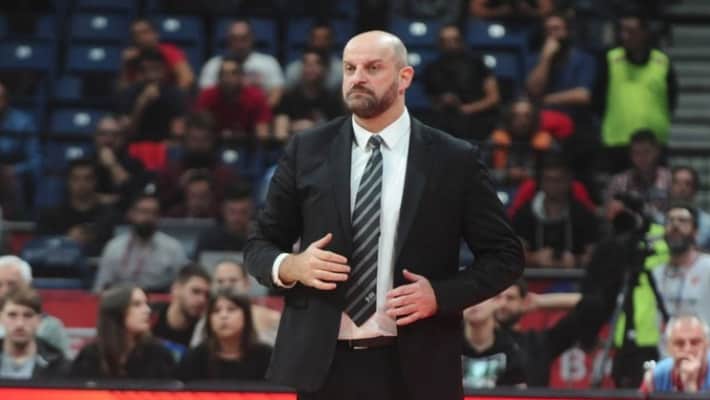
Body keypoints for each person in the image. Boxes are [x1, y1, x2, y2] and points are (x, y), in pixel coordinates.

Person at [245, 30, 523, 400]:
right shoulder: (307, 149)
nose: (357, 77)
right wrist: (292, 266)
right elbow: (260, 244)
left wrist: (440, 295)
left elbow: (506, 255)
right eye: (350, 68)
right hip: (324, 366)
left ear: (404, 77)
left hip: (416, 366)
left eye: (372, 68)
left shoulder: (453, 158)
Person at [594, 12, 677, 172]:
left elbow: (672, 100)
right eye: (622, 30)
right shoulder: (610, 59)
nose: (625, 36)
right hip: (618, 143)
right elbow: (597, 100)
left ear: (644, 32)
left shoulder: (662, 61)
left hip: (654, 143)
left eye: (631, 31)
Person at [512, 154, 600, 268]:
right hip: (533, 277)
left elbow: (594, 255)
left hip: (574, 277)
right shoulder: (524, 214)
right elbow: (513, 255)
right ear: (540, 182)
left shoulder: (583, 214)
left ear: (569, 181)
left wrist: (575, 260)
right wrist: (534, 258)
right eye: (548, 180)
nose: (553, 185)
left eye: (559, 180)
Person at [71, 285, 175, 379]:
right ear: (117, 312)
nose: (147, 310)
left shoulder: (159, 354)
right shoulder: (90, 355)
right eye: (137, 304)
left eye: (146, 304)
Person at [94, 193, 188, 292]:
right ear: (131, 214)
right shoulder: (114, 247)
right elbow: (102, 287)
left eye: (154, 213)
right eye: (144, 212)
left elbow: (184, 284)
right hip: (122, 298)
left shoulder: (173, 248)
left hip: (159, 298)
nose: (149, 217)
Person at [423, 24, 501, 141]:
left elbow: (494, 98)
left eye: (454, 39)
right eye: (445, 40)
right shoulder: (431, 68)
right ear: (439, 43)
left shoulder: (477, 63)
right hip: (445, 120)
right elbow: (431, 100)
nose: (450, 44)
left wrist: (467, 109)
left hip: (477, 119)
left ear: (462, 41)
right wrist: (443, 101)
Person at [175, 288, 272, 381]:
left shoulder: (267, 357)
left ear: (246, 316)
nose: (223, 315)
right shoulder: (194, 358)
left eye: (231, 309)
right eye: (216, 311)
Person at [35, 158, 116, 256]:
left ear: (95, 181)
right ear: (68, 181)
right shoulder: (50, 215)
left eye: (87, 178)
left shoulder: (108, 216)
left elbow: (114, 249)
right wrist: (66, 240)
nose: (82, 184)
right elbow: (40, 247)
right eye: (76, 178)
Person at [190, 260, 280, 347]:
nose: (226, 286)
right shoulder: (206, 321)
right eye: (220, 281)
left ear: (247, 284)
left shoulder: (271, 319)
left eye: (233, 280)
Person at [525, 12, 595, 121]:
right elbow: (534, 90)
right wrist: (545, 59)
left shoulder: (583, 59)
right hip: (541, 120)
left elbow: (582, 95)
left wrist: (544, 100)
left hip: (573, 119)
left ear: (567, 32)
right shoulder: (534, 59)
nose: (551, 34)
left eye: (556, 29)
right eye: (547, 30)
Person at [199, 20, 284, 107]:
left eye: (244, 38)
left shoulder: (269, 63)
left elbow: (276, 93)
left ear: (252, 38)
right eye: (234, 38)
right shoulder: (213, 65)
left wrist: (259, 111)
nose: (239, 43)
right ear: (228, 40)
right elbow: (206, 97)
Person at [651, 204, 710, 327]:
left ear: (695, 231)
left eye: (682, 221)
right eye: (670, 221)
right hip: (665, 338)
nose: (675, 226)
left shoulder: (707, 268)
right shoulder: (656, 272)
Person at [0, 256, 69, 355]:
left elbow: (61, 362)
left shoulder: (50, 327)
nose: (4, 291)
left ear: (28, 285)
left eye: (12, 284)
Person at [195, 56, 272, 144]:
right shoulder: (207, 96)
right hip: (214, 145)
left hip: (248, 145)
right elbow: (199, 129)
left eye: (233, 73)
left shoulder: (255, 96)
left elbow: (262, 131)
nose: (227, 77)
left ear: (241, 76)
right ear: (218, 77)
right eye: (223, 74)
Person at [117, 48, 188, 142]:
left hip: (165, 144)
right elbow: (127, 133)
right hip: (135, 144)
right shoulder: (129, 93)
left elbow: (178, 133)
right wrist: (141, 103)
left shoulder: (175, 95)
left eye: (155, 69)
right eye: (144, 70)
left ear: (164, 70)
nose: (150, 75)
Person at [275, 49, 344, 142]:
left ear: (324, 69)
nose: (311, 68)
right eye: (307, 64)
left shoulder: (332, 100)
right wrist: (293, 126)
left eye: (316, 64)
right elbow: (280, 134)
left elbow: (339, 133)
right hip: (293, 145)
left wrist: (314, 127)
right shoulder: (288, 98)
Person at [0, 287, 69, 380]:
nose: (20, 324)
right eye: (12, 315)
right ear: (1, 318)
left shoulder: (58, 364)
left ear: (39, 320)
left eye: (28, 315)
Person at [487, 98, 558, 187]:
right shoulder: (496, 140)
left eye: (527, 116)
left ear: (534, 118)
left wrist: (529, 174)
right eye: (516, 116)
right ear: (509, 117)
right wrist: (506, 174)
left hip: (537, 189)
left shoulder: (547, 142)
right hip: (499, 187)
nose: (522, 120)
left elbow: (557, 173)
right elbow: (482, 172)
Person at [605, 130, 671, 223]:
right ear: (631, 155)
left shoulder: (669, 179)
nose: (642, 157)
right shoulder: (619, 181)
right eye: (637, 153)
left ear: (656, 152)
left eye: (646, 152)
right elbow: (609, 213)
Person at [461, 296, 526, 388]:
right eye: (467, 296)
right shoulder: (447, 347)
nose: (474, 303)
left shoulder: (512, 349)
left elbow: (518, 392)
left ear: (497, 301)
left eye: (481, 295)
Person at [119, 18, 194, 91]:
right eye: (136, 34)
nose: (141, 37)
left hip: (169, 94)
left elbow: (187, 80)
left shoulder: (169, 51)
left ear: (155, 34)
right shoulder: (132, 57)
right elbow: (123, 90)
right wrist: (126, 66)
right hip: (143, 95)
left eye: (145, 32)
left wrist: (161, 91)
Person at [0, 81, 40, 218]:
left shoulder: (23, 123)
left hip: (14, 176)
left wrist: (15, 170)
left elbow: (36, 161)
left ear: (6, 100)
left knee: (9, 179)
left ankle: (13, 220)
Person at [641, 315, 710, 393]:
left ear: (707, 345)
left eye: (695, 342)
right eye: (680, 343)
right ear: (669, 348)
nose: (687, 349)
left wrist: (690, 385)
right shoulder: (656, 376)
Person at [152, 264, 210, 355]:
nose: (202, 300)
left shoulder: (205, 332)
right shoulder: (150, 315)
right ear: (176, 289)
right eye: (195, 291)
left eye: (207, 295)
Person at [194, 184, 253, 257]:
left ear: (251, 212)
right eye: (232, 212)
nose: (237, 218)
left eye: (243, 212)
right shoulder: (209, 239)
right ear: (224, 211)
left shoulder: (259, 239)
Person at [285, 23, 343, 92]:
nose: (321, 43)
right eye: (317, 38)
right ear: (309, 40)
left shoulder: (341, 70)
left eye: (325, 38)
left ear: (332, 41)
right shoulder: (293, 70)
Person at [669, 166, 710, 251]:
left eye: (687, 184)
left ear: (695, 189)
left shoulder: (707, 224)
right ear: (670, 187)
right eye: (677, 183)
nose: (682, 188)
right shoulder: (658, 220)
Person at [470, 0, 556, 20]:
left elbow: (547, 9)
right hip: (495, 24)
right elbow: (475, 9)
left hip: (528, 26)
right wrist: (498, 12)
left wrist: (530, 12)